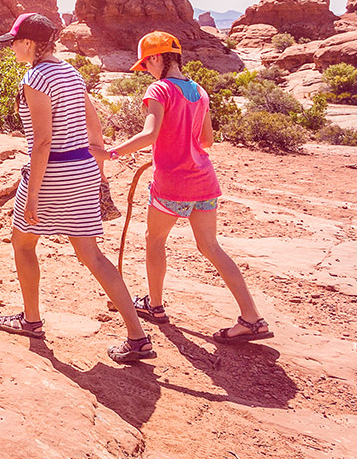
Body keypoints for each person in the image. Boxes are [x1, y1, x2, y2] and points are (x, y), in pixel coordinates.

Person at [0, 12, 155, 363]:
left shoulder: (35, 78)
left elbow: (42, 142)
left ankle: (31, 320)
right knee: (92, 255)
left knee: (22, 243)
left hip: (52, 173)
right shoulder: (71, 72)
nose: (13, 49)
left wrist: (32, 194)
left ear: (30, 44)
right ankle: (137, 336)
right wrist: (100, 171)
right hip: (81, 170)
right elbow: (93, 123)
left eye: (15, 42)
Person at [102, 32, 272, 343]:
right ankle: (251, 318)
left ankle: (155, 306)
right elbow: (206, 140)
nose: (146, 71)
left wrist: (110, 152)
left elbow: (149, 135)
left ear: (156, 58)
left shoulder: (159, 89)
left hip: (172, 184)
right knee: (210, 247)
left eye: (146, 64)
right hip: (204, 180)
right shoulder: (199, 90)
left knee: (154, 240)